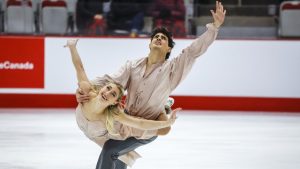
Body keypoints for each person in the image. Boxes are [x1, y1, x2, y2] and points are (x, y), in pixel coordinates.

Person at [77, 1, 226, 169]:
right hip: (127, 124)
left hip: (146, 130)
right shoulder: (132, 66)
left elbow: (193, 51)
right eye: (156, 37)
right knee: (119, 159)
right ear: (149, 44)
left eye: (164, 38)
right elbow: (110, 81)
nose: (159, 38)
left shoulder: (173, 70)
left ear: (169, 49)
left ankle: (165, 105)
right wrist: (86, 88)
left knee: (110, 149)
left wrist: (214, 27)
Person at [65, 39, 180, 166]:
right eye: (108, 88)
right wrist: (72, 47)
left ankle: (163, 107)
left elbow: (140, 123)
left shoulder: (115, 115)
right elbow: (79, 68)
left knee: (163, 130)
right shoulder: (88, 93)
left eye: (113, 94)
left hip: (120, 132)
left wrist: (168, 122)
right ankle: (164, 106)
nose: (107, 93)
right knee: (115, 156)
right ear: (101, 88)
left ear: (114, 103)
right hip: (98, 135)